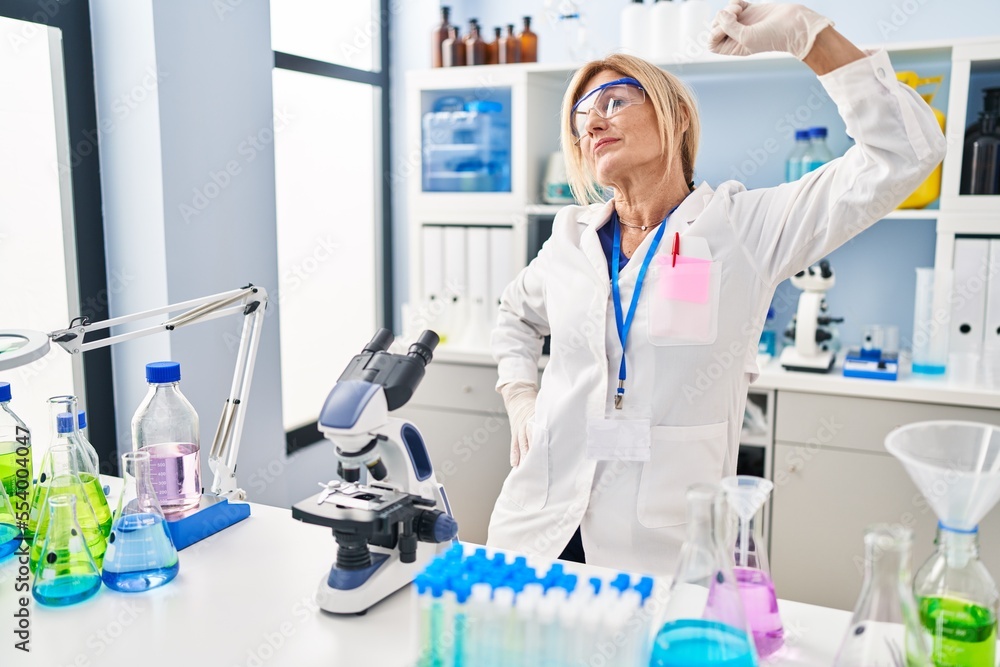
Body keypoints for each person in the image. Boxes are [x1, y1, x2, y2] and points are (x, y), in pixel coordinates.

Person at [486, 0, 947, 574]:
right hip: (539, 526)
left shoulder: (744, 229)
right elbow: (514, 315)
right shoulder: (569, 239)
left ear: (676, 113)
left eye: (613, 101)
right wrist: (520, 399)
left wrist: (810, 36)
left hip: (660, 547)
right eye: (581, 118)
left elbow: (906, 154)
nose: (593, 123)